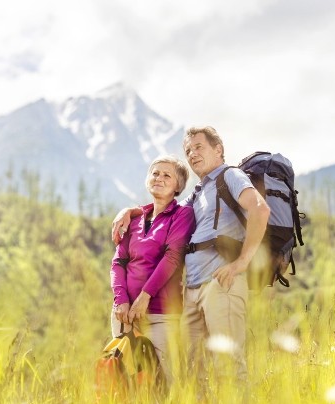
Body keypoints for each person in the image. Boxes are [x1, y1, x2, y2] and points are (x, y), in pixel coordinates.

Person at [112, 126, 270, 383]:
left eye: (199, 147)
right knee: (193, 371)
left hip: (221, 283)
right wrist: (130, 211)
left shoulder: (230, 176)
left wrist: (241, 262)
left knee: (228, 363)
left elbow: (260, 210)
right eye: (188, 150)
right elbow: (164, 208)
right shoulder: (198, 193)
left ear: (218, 149)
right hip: (193, 291)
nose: (192, 154)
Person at [110, 155, 196, 388]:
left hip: (162, 314)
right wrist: (121, 301)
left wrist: (144, 297)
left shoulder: (182, 215)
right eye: (155, 173)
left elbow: (173, 257)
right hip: (124, 315)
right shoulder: (135, 219)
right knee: (125, 381)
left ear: (178, 186)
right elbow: (119, 262)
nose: (159, 177)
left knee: (165, 382)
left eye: (167, 175)